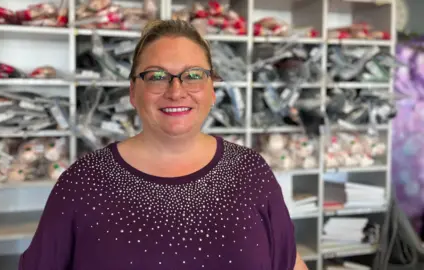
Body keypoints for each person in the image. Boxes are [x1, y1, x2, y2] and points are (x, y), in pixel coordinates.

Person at [19, 19, 308, 270]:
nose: (176, 91)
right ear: (133, 92)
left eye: (194, 76)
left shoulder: (250, 171)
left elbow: (287, 261)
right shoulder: (84, 181)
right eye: (157, 76)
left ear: (213, 91)